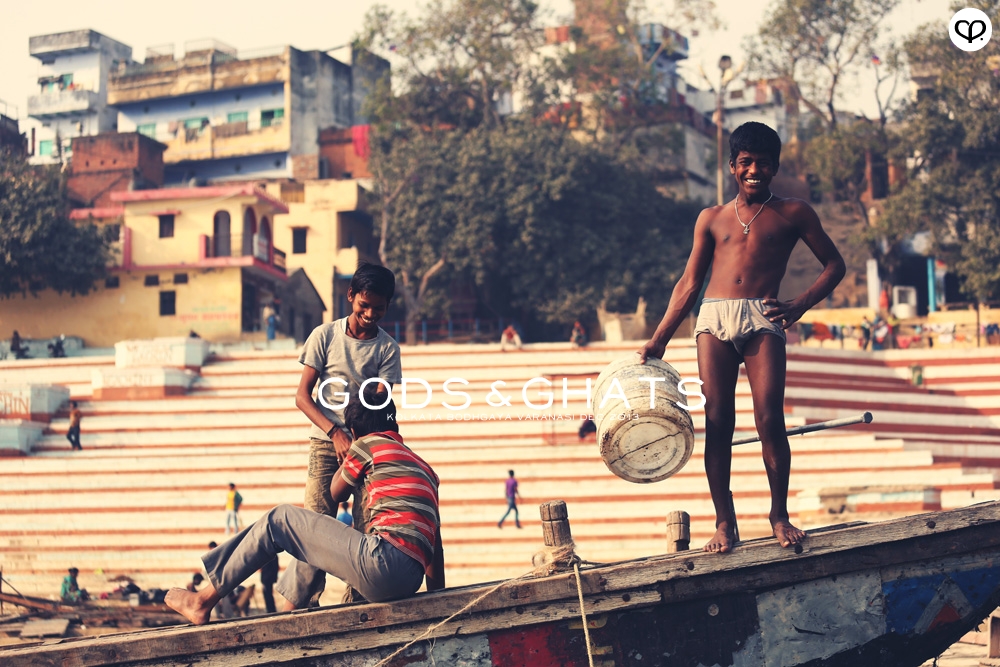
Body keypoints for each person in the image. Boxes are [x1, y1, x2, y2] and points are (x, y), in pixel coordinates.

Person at [638, 121, 845, 555]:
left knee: (769, 418)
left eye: (763, 163)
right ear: (733, 166)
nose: (754, 170)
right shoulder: (710, 218)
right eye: (746, 162)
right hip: (713, 318)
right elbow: (689, 284)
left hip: (764, 317)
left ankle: (778, 516)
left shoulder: (794, 212)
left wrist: (799, 304)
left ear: (774, 168)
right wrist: (659, 339)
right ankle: (724, 523)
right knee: (718, 422)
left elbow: (834, 265)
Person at [165, 385, 444, 625]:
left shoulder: (367, 444)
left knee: (281, 520)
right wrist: (439, 603)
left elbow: (335, 492)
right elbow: (435, 547)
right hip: (410, 578)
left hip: (382, 565)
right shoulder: (426, 470)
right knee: (313, 532)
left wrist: (348, 455)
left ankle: (202, 601)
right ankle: (290, 614)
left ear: (356, 431)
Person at [294, 262, 401, 604]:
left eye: (378, 308)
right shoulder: (324, 335)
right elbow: (302, 396)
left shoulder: (387, 349)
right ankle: (301, 607)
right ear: (350, 297)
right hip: (325, 445)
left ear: (387, 306)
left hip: (368, 446)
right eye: (363, 305)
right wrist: (335, 433)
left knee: (367, 526)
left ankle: (356, 603)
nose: (370, 314)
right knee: (314, 525)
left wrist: (359, 441)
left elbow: (378, 403)